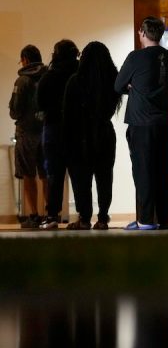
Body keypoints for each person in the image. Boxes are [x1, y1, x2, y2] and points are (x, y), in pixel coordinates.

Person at [115, 16, 168, 230]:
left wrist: (131, 86)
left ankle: (146, 219)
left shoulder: (135, 57)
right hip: (163, 120)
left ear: (142, 33)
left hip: (141, 121)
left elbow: (118, 85)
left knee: (143, 170)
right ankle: (163, 218)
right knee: (161, 169)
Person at [62, 41, 121, 230]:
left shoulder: (75, 81)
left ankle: (84, 218)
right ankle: (103, 218)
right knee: (105, 178)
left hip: (80, 135)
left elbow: (67, 114)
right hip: (104, 133)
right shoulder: (113, 80)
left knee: (81, 179)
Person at [37, 40, 80, 230]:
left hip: (53, 128)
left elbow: (39, 103)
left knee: (54, 174)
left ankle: (52, 215)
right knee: (79, 174)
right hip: (76, 129)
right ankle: (84, 216)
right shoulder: (80, 74)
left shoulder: (50, 75)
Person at [9, 45, 48, 229]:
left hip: (26, 134)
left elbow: (15, 111)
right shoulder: (48, 77)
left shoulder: (22, 81)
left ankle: (34, 215)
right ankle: (51, 214)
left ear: (25, 59)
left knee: (28, 175)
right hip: (47, 132)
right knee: (46, 174)